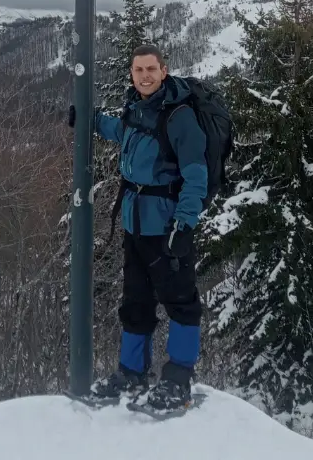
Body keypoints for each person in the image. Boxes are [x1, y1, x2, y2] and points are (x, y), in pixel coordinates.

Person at [90, 44, 207, 410]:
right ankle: (132, 372)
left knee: (181, 303)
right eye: (138, 70)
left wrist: (184, 224)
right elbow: (120, 131)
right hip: (135, 224)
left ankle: (178, 379)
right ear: (132, 73)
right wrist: (90, 119)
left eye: (151, 69)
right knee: (135, 302)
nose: (144, 76)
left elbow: (196, 174)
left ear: (164, 71)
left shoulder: (179, 116)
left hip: (167, 227)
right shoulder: (137, 110)